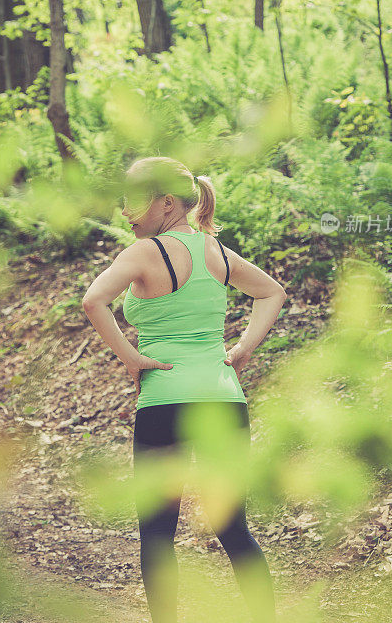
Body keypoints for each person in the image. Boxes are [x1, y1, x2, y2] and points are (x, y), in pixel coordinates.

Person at [82, 156, 287, 623]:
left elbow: (94, 301)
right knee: (233, 526)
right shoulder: (215, 251)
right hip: (223, 397)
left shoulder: (142, 254)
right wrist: (243, 348)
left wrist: (131, 358)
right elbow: (271, 291)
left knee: (157, 533)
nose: (124, 209)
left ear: (167, 202)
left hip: (166, 401)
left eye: (134, 199)